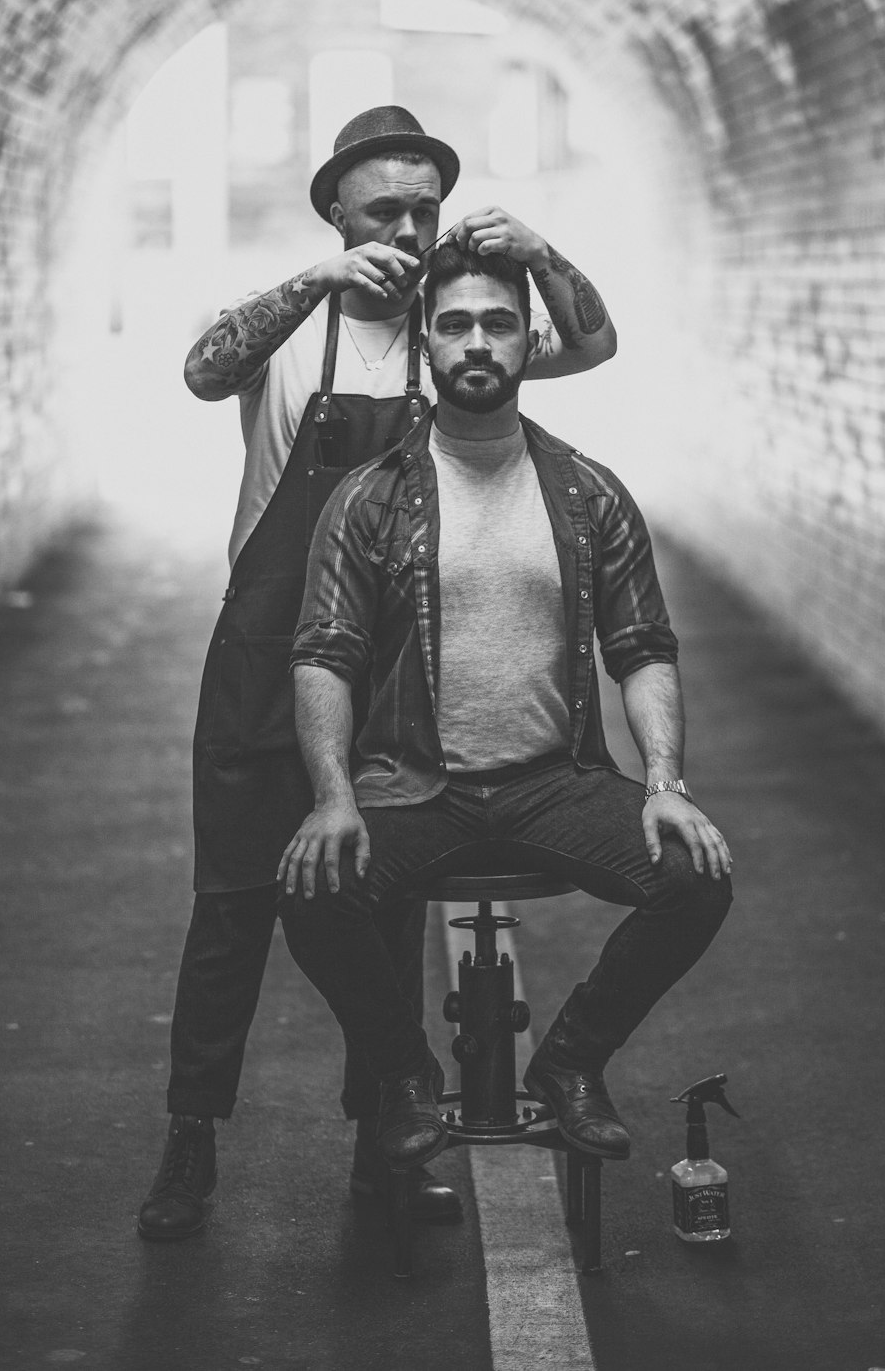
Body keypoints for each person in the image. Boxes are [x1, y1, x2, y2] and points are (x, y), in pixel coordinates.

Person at [137, 106, 619, 1239]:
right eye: (383, 210)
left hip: (393, 670)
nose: (408, 228)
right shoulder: (289, 330)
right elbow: (204, 370)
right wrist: (318, 279)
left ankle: (384, 1146)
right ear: (338, 215)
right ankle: (189, 1139)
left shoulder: (454, 333)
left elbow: (593, 343)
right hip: (263, 664)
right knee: (233, 910)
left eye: (424, 208)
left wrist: (540, 254)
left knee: (379, 906)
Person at [276, 242, 732, 1173]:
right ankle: (404, 1076)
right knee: (311, 890)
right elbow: (324, 654)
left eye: (498, 322)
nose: (476, 342)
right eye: (454, 325)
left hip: (554, 783)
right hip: (416, 787)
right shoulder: (371, 498)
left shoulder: (590, 492)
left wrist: (663, 782)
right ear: (426, 346)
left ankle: (567, 1066)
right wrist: (334, 797)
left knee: (698, 879)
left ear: (529, 339)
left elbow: (641, 648)